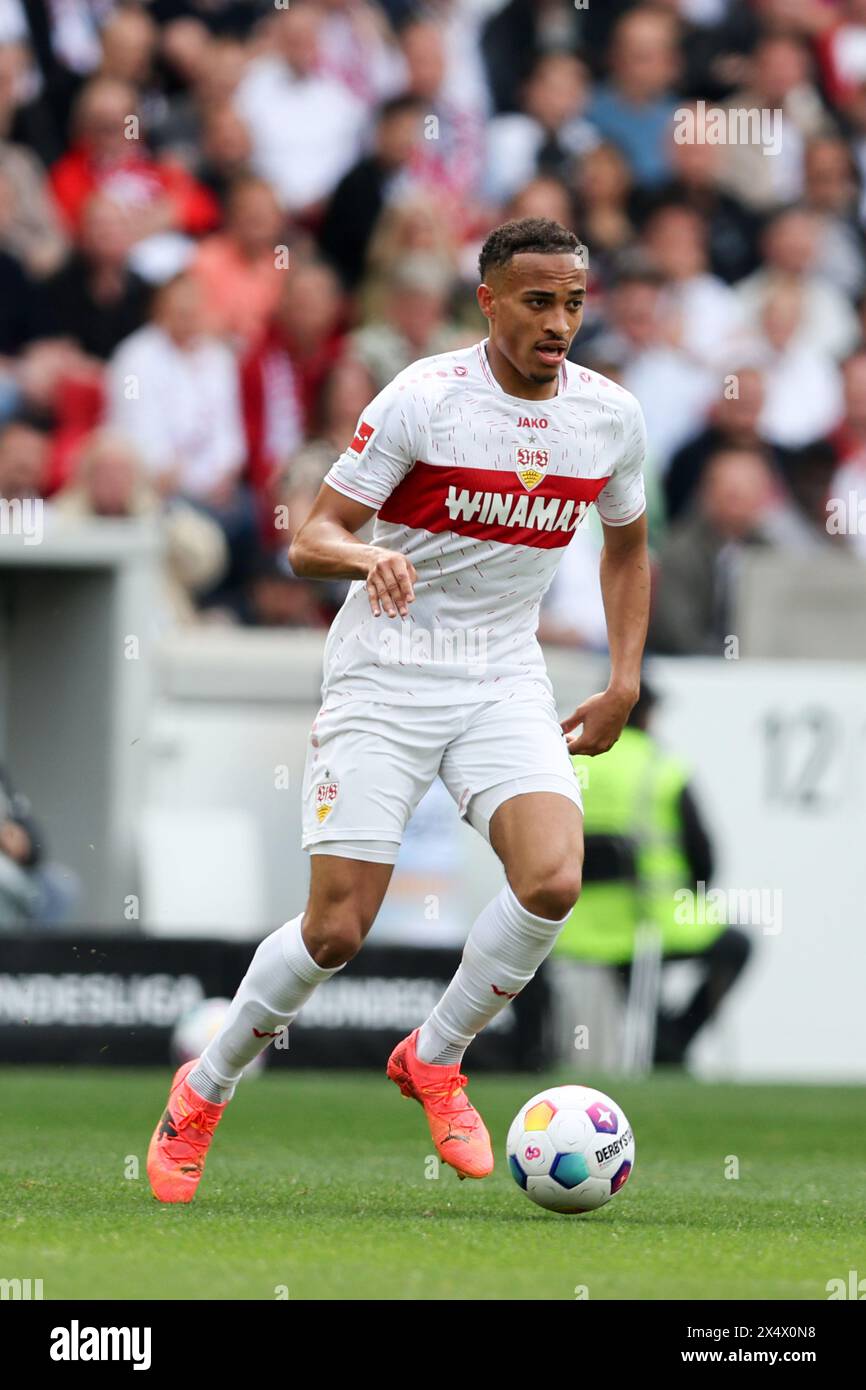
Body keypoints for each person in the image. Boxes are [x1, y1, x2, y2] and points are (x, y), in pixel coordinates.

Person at [146, 215, 650, 1203]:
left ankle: (435, 1054)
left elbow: (626, 544)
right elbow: (310, 535)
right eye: (537, 301)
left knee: (550, 879)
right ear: (489, 302)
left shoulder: (609, 417)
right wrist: (367, 552)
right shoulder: (423, 400)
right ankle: (202, 1089)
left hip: (502, 671)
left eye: (573, 303)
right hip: (387, 670)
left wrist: (622, 677)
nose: (558, 322)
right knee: (337, 930)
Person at [552, 682, 752, 1068]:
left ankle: (663, 1041)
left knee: (633, 966)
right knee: (736, 947)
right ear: (644, 714)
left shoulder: (568, 762)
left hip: (571, 925)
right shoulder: (661, 767)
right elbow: (704, 856)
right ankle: (672, 1043)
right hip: (649, 921)